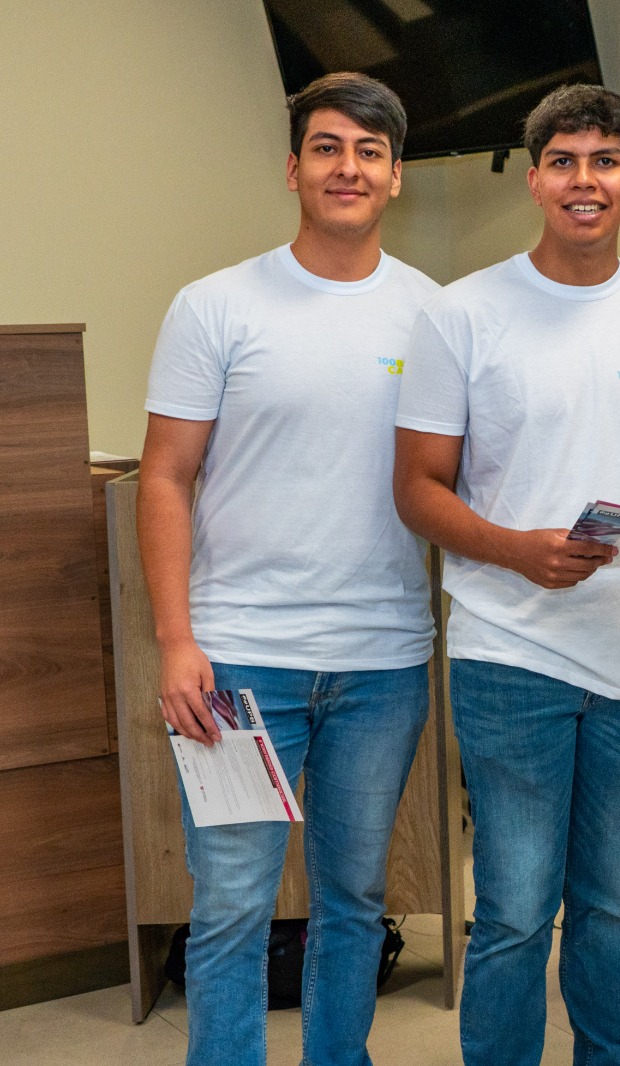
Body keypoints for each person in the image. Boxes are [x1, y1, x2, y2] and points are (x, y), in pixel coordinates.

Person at [391, 84, 620, 1065]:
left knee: (611, 905)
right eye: (566, 162)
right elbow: (417, 487)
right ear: (536, 178)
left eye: (606, 163)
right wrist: (514, 547)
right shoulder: (462, 315)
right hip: (510, 654)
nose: (587, 180)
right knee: (516, 909)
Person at [138, 73, 436, 1066]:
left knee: (353, 904)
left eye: (368, 150)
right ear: (294, 166)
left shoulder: (435, 317)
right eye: (326, 146)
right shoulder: (215, 305)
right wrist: (179, 641)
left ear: (394, 176)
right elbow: (167, 476)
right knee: (229, 907)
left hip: (381, 666)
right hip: (237, 667)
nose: (346, 167)